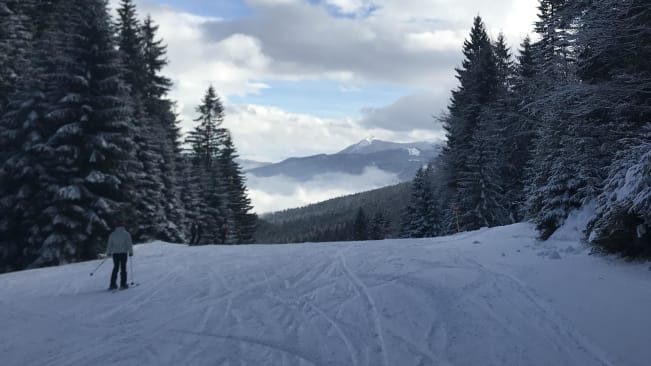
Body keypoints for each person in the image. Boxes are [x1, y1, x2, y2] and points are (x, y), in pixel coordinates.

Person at [106, 222, 134, 290]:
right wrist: (130, 252)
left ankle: (112, 284)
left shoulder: (113, 234)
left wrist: (108, 252)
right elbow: (129, 244)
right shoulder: (126, 234)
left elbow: (110, 244)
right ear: (123, 226)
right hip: (123, 253)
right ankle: (123, 284)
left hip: (115, 254)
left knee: (115, 268)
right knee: (123, 268)